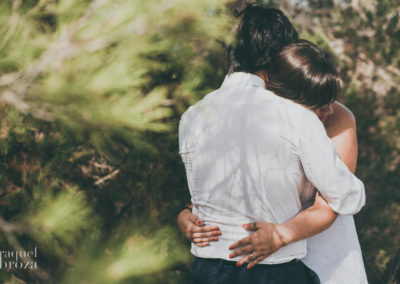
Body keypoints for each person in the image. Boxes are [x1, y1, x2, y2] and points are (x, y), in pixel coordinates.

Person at [178, 5, 365, 284]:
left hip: (208, 269)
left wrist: (187, 214)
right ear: (279, 57)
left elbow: (219, 188)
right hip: (272, 269)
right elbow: (349, 196)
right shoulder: (295, 116)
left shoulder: (192, 115)